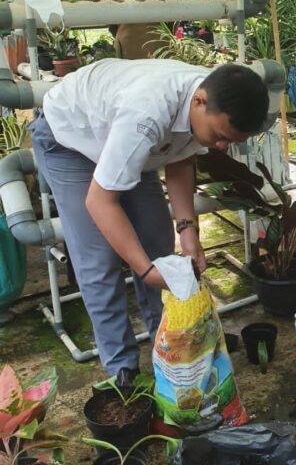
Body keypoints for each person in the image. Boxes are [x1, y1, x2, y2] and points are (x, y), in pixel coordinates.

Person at [30, 58, 269, 377]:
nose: (221, 147)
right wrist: (143, 270)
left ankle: (172, 348)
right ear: (199, 102)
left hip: (123, 138)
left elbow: (180, 162)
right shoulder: (146, 114)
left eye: (230, 141)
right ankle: (122, 370)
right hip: (70, 139)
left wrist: (188, 231)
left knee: (158, 244)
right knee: (99, 260)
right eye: (219, 136)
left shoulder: (206, 101)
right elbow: (100, 202)